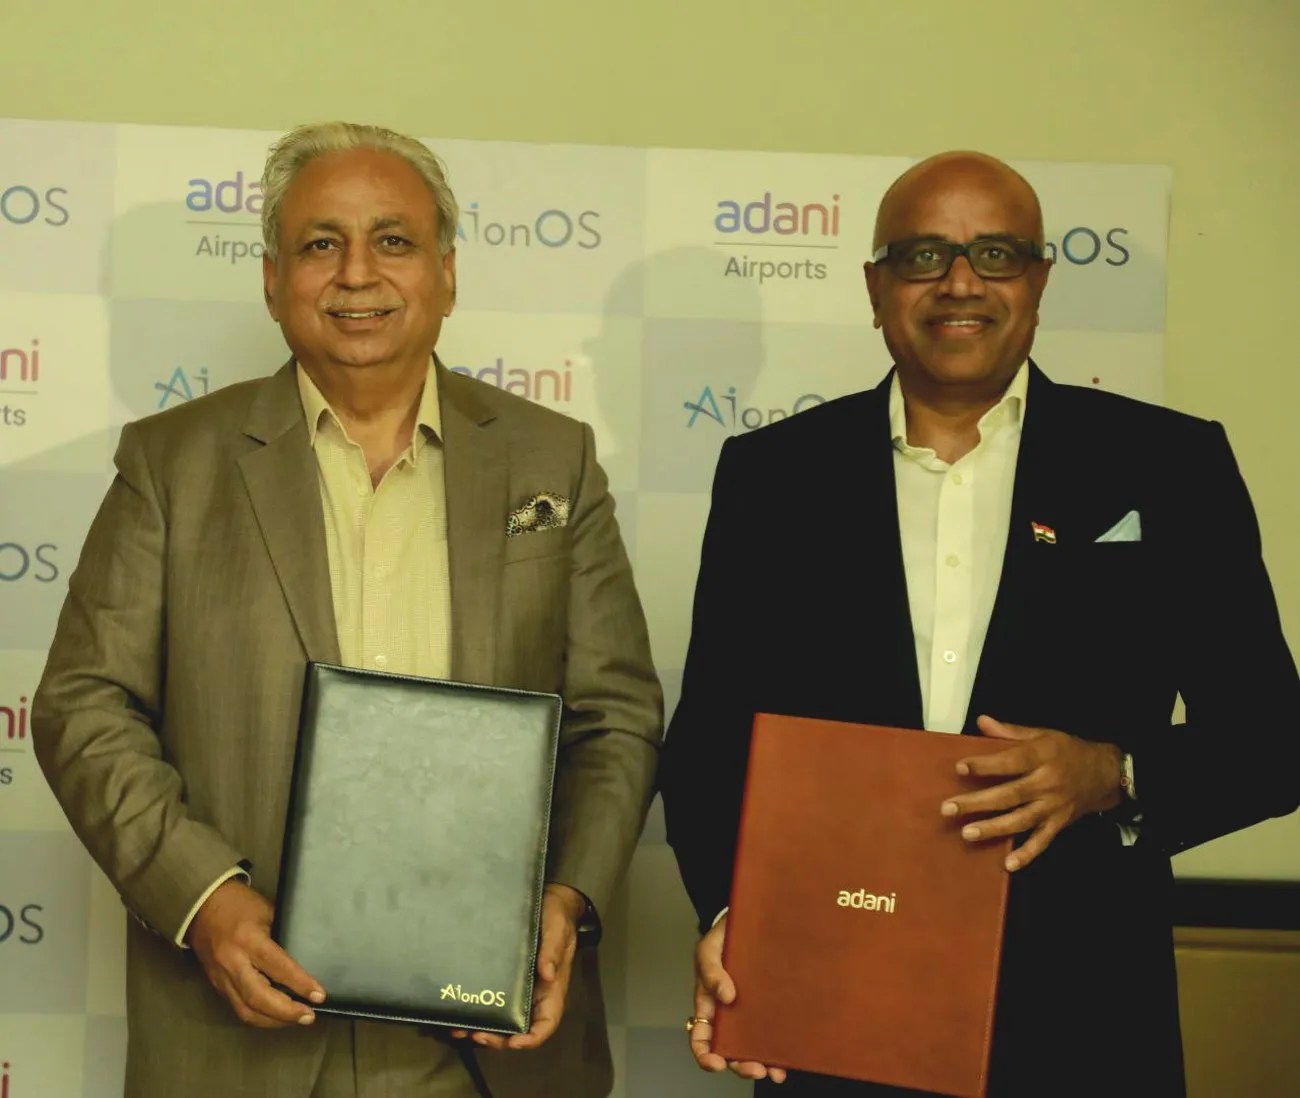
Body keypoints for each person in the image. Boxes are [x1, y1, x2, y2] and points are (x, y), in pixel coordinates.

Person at [32, 121, 662, 1098]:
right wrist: (204, 899)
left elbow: (614, 717)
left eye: (393, 240)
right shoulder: (172, 463)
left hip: (488, 1045)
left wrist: (566, 896)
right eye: (321, 243)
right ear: (273, 280)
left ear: (446, 273)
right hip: (241, 1040)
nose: (357, 273)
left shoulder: (553, 460)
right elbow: (83, 705)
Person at [660, 150, 1299, 1097]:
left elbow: (1273, 741)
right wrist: (731, 915)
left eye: (995, 253)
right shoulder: (773, 476)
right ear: (876, 287)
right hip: (831, 1002)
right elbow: (711, 743)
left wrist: (1113, 772)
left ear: (1039, 279)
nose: (960, 282)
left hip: (1083, 1017)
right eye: (923, 255)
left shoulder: (1168, 466)